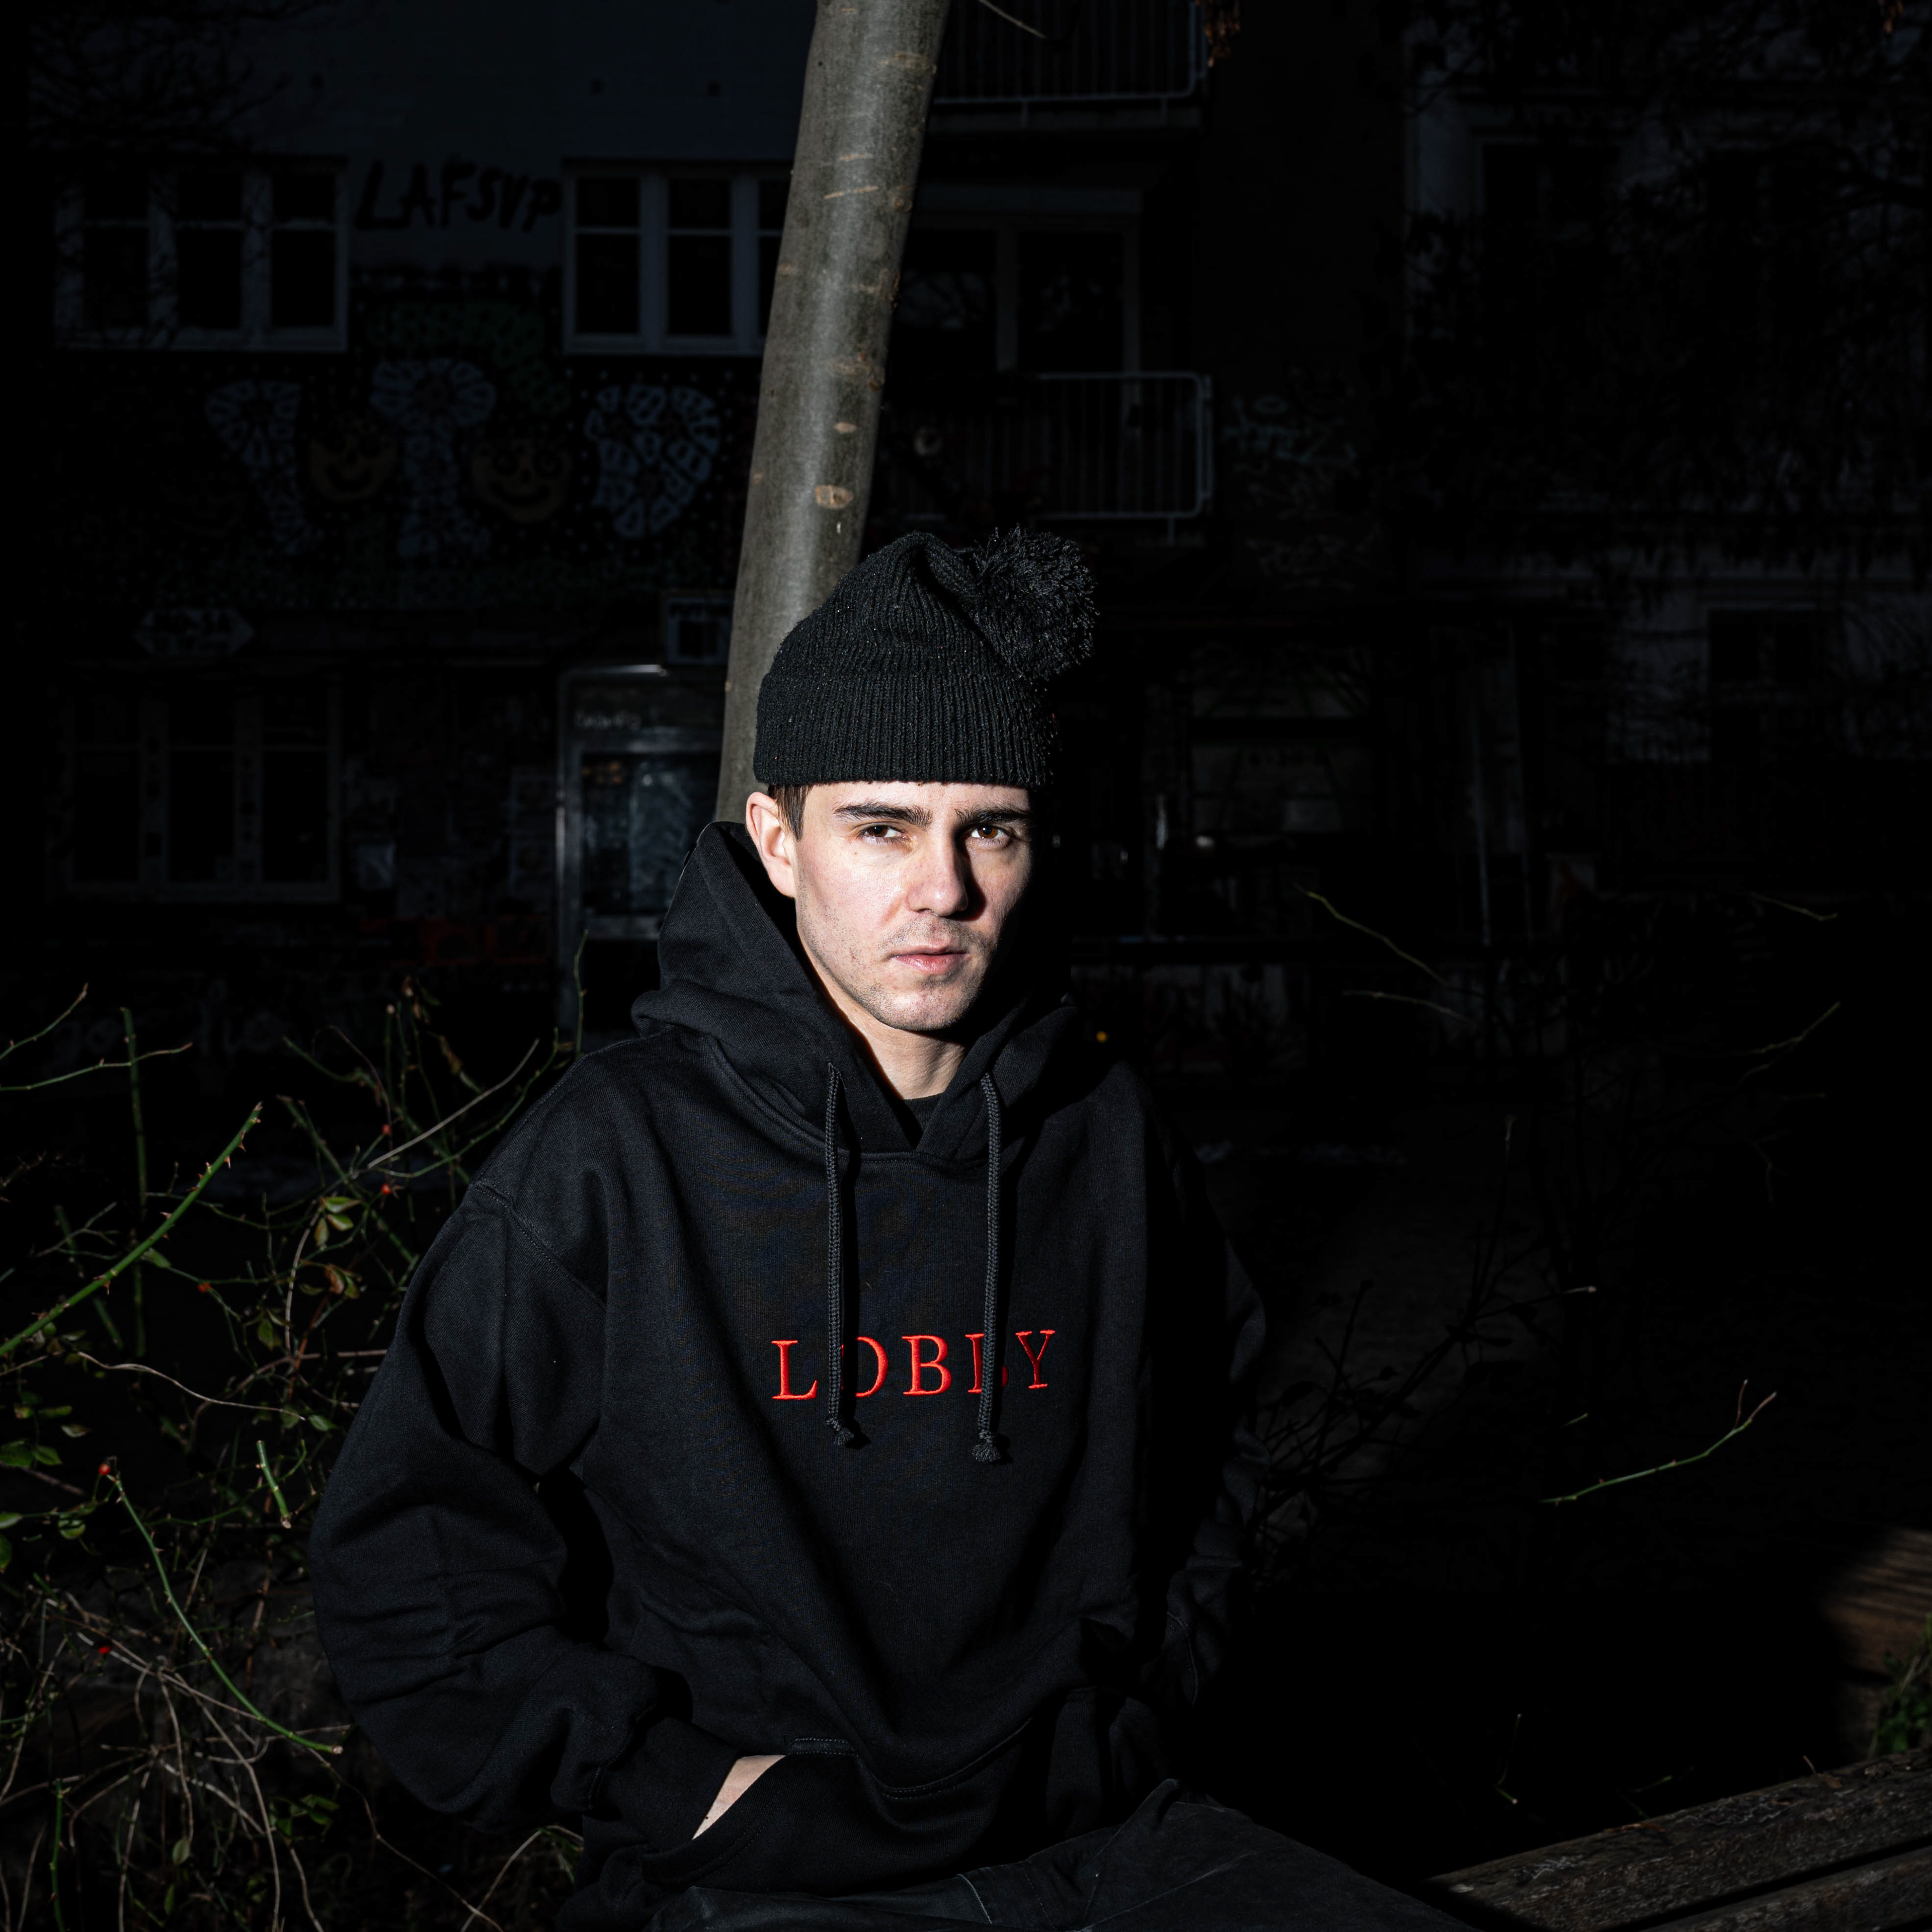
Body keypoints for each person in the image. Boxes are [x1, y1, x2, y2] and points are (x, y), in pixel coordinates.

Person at [309, 532, 1456, 1931]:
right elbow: (409, 1539)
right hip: (773, 1873)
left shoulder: (1102, 1128)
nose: (946, 889)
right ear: (778, 841)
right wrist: (668, 1784)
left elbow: (1212, 1434)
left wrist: (1144, 1705)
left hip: (1109, 1831)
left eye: (992, 829)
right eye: (883, 828)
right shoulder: (618, 1152)